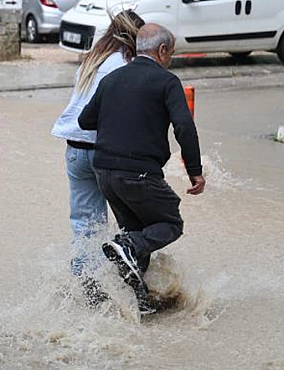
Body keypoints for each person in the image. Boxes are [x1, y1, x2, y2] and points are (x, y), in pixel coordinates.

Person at [78, 23, 206, 315]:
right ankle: (129, 245)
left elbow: (86, 120)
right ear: (162, 51)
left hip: (105, 172)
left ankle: (140, 302)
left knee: (136, 233)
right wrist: (195, 171)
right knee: (170, 223)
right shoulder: (167, 81)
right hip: (138, 174)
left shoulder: (112, 80)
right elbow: (184, 126)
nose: (170, 59)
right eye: (170, 53)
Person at [51, 11, 145, 294]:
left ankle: (86, 283)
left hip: (75, 150)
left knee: (85, 222)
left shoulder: (90, 60)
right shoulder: (125, 65)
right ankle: (133, 279)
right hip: (106, 152)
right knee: (134, 219)